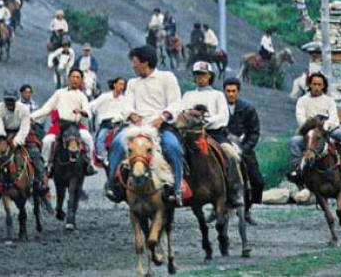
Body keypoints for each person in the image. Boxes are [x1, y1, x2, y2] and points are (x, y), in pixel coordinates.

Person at [105, 46, 184, 205]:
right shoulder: (133, 83)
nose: (132, 66)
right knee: (116, 144)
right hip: (137, 126)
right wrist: (134, 116)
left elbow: (175, 103)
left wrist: (162, 117)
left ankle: (176, 189)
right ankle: (113, 184)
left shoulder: (167, 77)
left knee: (173, 147)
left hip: (161, 126)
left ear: (145, 62)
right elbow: (127, 105)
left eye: (134, 62)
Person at [176, 62, 244, 208]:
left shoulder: (218, 95)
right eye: (197, 75)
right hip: (190, 136)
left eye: (203, 74)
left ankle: (235, 190)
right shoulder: (188, 95)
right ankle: (178, 188)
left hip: (214, 134)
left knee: (232, 155)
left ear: (209, 76)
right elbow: (181, 114)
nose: (200, 78)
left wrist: (205, 121)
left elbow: (223, 117)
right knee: (174, 154)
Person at [288, 72, 341, 185]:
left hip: (328, 130)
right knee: (295, 141)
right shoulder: (302, 101)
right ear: (309, 84)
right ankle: (297, 169)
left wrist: (325, 126)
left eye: (319, 85)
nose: (316, 87)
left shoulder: (329, 100)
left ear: (323, 86)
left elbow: (334, 117)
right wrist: (311, 126)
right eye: (314, 84)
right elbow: (300, 118)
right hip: (310, 130)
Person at [30, 69, 96, 176]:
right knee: (47, 141)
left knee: (88, 138)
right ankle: (46, 165)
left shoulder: (82, 96)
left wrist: (82, 112)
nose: (75, 80)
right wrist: (32, 117)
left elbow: (88, 111)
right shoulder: (59, 93)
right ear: (69, 78)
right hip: (60, 126)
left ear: (81, 80)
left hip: (76, 126)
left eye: (78, 77)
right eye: (73, 77)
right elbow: (46, 108)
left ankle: (90, 164)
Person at [0, 90, 47, 199]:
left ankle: (40, 182)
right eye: (7, 100)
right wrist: (4, 138)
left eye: (11, 100)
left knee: (35, 154)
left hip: (23, 134)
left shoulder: (24, 109)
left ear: (15, 100)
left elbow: (25, 128)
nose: (9, 102)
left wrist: (16, 141)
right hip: (4, 134)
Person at [223, 77, 264, 225]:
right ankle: (217, 210)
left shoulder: (248, 108)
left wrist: (245, 148)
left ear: (238, 92)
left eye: (234, 91)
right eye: (228, 91)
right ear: (224, 91)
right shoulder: (219, 107)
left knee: (257, 181)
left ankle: (247, 210)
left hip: (243, 148)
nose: (231, 94)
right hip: (224, 147)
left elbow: (254, 132)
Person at [90, 77, 128, 163]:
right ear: (114, 85)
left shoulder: (124, 99)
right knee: (100, 138)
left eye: (123, 85)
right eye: (120, 84)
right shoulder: (105, 97)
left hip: (119, 124)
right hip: (106, 123)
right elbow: (93, 105)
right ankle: (103, 156)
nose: (121, 87)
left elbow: (127, 112)